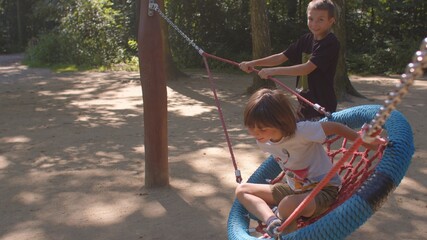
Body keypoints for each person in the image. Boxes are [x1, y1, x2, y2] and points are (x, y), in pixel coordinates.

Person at [235, 88, 386, 238]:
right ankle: (273, 221)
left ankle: (287, 232)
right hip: (295, 189)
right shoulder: (264, 141)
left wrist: (366, 142)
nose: (255, 133)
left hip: (323, 190)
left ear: (280, 122)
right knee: (242, 190)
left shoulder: (302, 131)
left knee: (287, 204)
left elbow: (335, 127)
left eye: (262, 129)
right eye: (251, 127)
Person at [239, 0, 340, 120]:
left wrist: (272, 71)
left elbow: (306, 68)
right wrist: (253, 63)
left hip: (322, 106)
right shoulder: (306, 39)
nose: (314, 24)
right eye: (310, 19)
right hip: (304, 104)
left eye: (321, 20)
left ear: (331, 21)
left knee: (310, 138)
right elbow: (281, 57)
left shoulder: (330, 43)